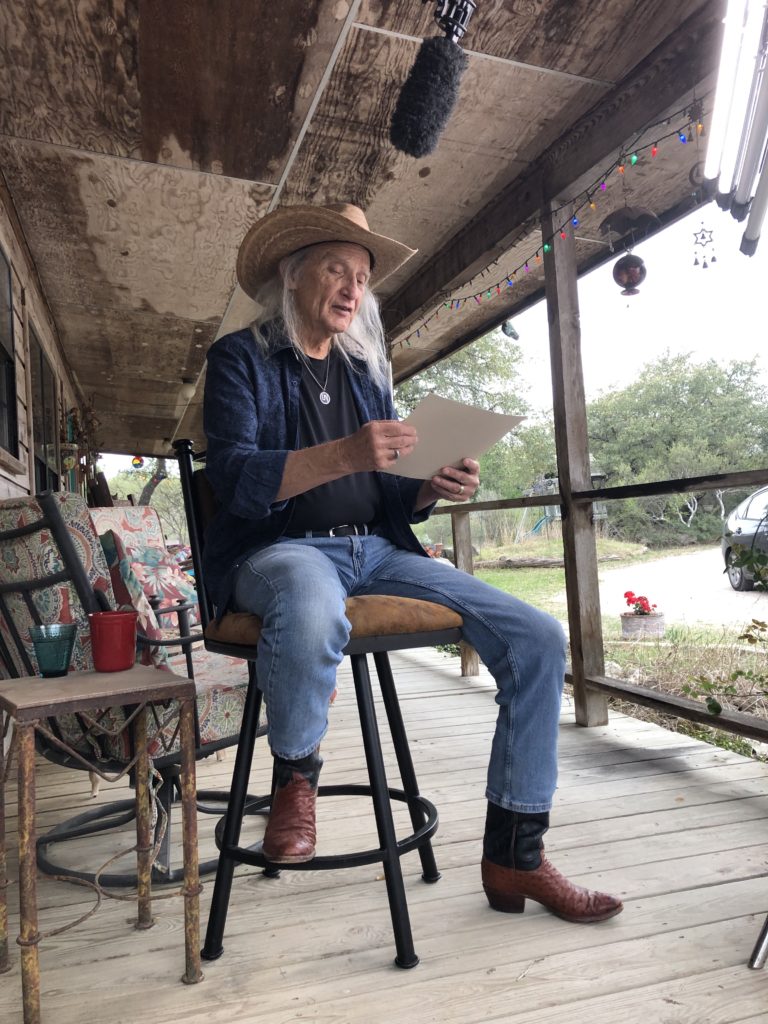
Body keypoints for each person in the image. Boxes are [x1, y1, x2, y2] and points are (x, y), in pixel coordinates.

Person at [203, 202, 622, 924]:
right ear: (293, 273)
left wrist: (430, 485)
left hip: (376, 549)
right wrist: (347, 452)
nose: (351, 289)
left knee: (537, 636)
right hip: (278, 553)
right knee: (309, 605)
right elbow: (235, 480)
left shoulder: (366, 377)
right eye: (337, 268)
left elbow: (388, 488)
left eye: (362, 277)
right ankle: (295, 778)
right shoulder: (241, 360)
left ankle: (515, 855)